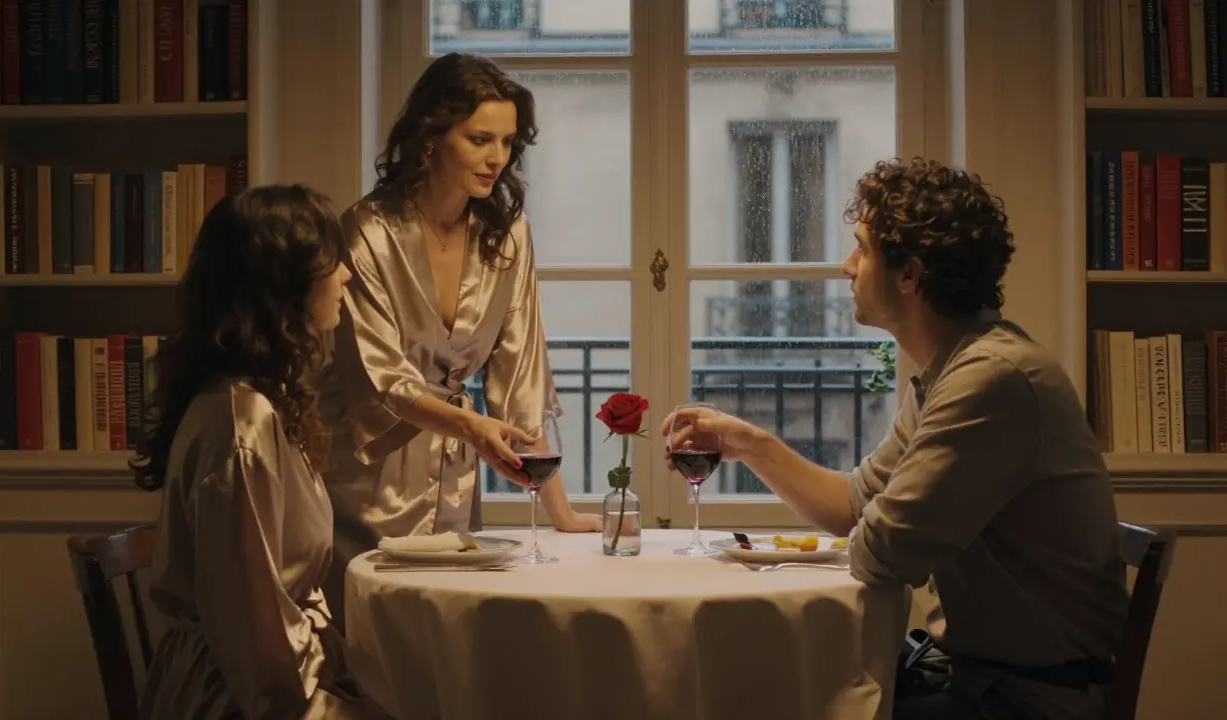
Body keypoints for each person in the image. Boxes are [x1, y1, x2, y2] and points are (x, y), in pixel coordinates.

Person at [663, 158, 1130, 719]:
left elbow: (882, 549)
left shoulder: (993, 380)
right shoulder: (950, 372)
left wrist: (876, 523)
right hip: (982, 680)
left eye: (861, 248)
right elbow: (852, 507)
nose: (846, 266)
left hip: (1026, 700)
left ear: (909, 274)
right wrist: (747, 443)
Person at [317, 52, 599, 624]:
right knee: (367, 644)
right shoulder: (365, 231)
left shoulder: (507, 237)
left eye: (507, 143)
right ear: (429, 139)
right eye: (479, 140)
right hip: (368, 475)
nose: (497, 158)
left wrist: (560, 511)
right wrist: (471, 425)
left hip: (453, 482)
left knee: (440, 642)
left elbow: (519, 377)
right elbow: (379, 378)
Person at [131, 185, 366, 719]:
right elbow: (254, 642)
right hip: (234, 698)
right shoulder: (243, 425)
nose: (346, 275)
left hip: (273, 672)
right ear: (285, 283)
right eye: (333, 261)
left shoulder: (257, 404)